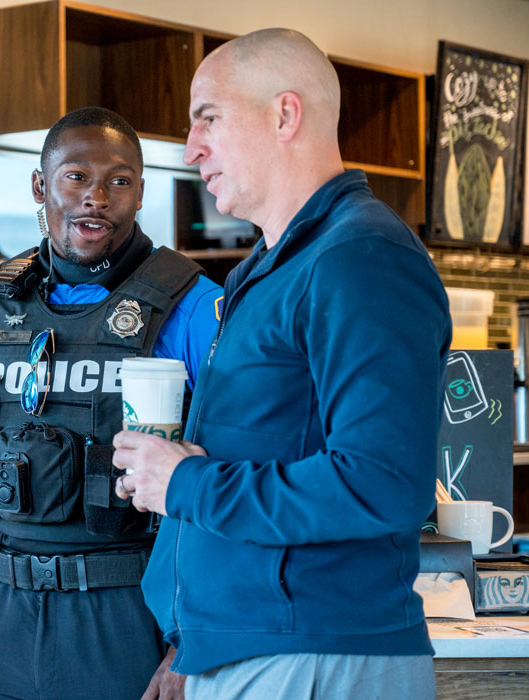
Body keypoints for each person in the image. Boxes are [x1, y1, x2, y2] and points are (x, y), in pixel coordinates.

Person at [113, 29, 450, 700]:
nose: (190, 149)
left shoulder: (360, 260)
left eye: (207, 118)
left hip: (319, 656)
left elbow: (381, 484)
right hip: (254, 654)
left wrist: (185, 485)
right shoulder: (277, 269)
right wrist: (194, 642)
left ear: (285, 115)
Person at [0, 106, 224, 700]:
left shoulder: (192, 311)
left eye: (119, 180)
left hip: (129, 620)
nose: (97, 197)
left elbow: (227, 480)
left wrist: (194, 642)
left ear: (139, 192)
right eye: (76, 176)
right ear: (40, 184)